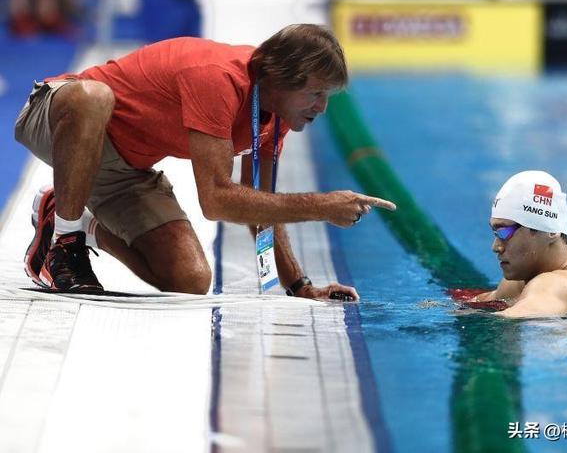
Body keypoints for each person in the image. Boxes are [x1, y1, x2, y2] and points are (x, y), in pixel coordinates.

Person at [15, 24, 396, 298]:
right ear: (279, 77)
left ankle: (71, 216)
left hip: (125, 170)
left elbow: (258, 205)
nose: (322, 107)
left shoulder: (274, 114)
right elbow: (216, 200)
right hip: (61, 119)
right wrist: (321, 206)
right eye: (315, 93)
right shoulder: (218, 78)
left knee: (190, 280)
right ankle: (64, 246)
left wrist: (300, 286)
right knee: (92, 96)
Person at [471, 170, 567, 318]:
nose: (495, 247)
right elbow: (473, 304)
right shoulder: (517, 284)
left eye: (504, 232)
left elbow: (502, 321)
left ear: (550, 231)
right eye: (495, 232)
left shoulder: (557, 285)